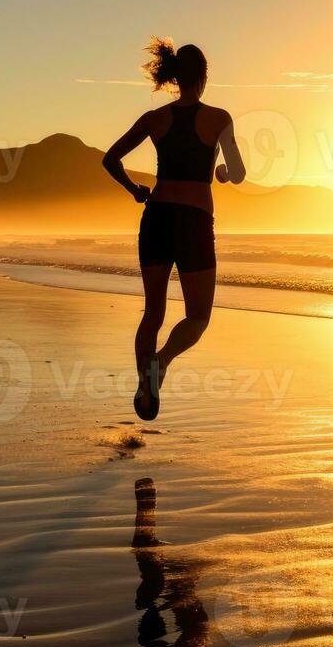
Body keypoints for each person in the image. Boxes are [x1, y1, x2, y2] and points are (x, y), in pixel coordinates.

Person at [103, 38, 247, 421]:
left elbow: (110, 159)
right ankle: (161, 363)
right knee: (198, 316)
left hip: (157, 218)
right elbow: (239, 173)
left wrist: (135, 190)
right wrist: (221, 173)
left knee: (153, 312)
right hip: (194, 222)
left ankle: (145, 392)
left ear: (174, 77)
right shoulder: (219, 118)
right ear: (204, 76)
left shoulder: (155, 119)